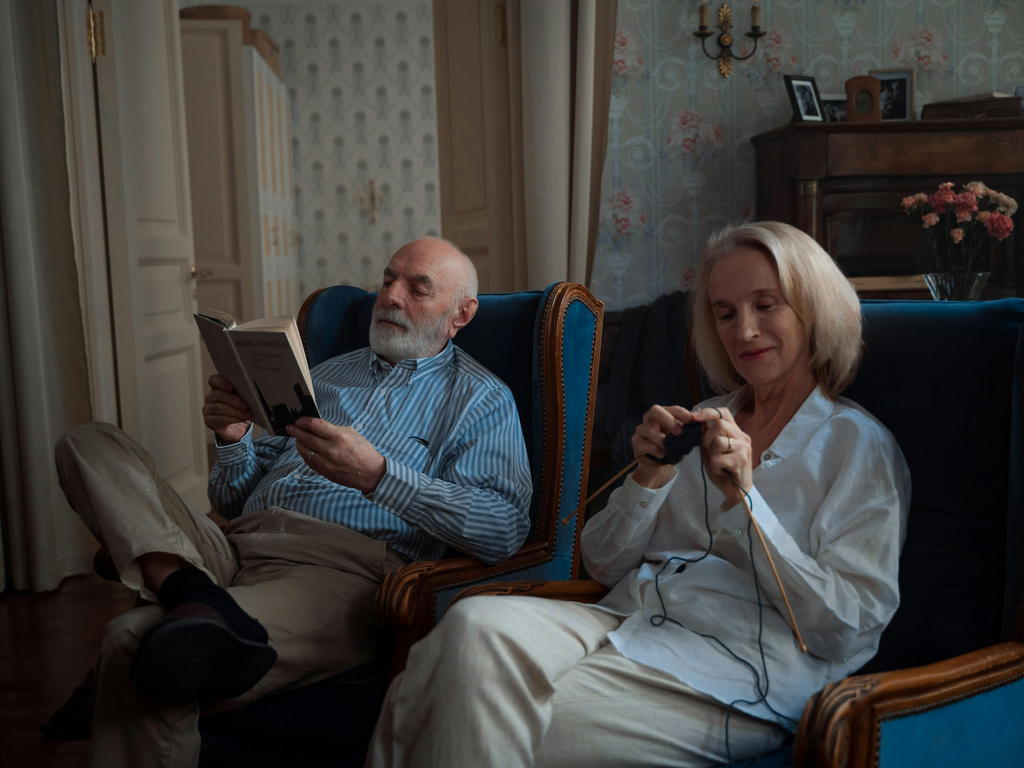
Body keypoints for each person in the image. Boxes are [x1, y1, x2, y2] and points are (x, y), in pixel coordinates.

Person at [366, 221, 911, 767]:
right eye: (725, 313)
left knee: (432, 700)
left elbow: (844, 628)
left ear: (812, 308)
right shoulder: (702, 421)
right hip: (625, 622)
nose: (744, 331)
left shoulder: (856, 446)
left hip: (736, 668)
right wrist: (648, 477)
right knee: (470, 623)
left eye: (765, 305)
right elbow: (603, 564)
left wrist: (745, 501)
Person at [53, 237, 532, 768]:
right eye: (388, 279)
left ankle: (192, 599)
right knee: (90, 442)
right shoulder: (328, 374)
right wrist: (234, 439)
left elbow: (503, 527)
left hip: (336, 569)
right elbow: (233, 500)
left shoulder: (480, 400)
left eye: (418, 288)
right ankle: (194, 591)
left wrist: (378, 477)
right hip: (233, 546)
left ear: (461, 313)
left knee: (128, 640)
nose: (392, 297)